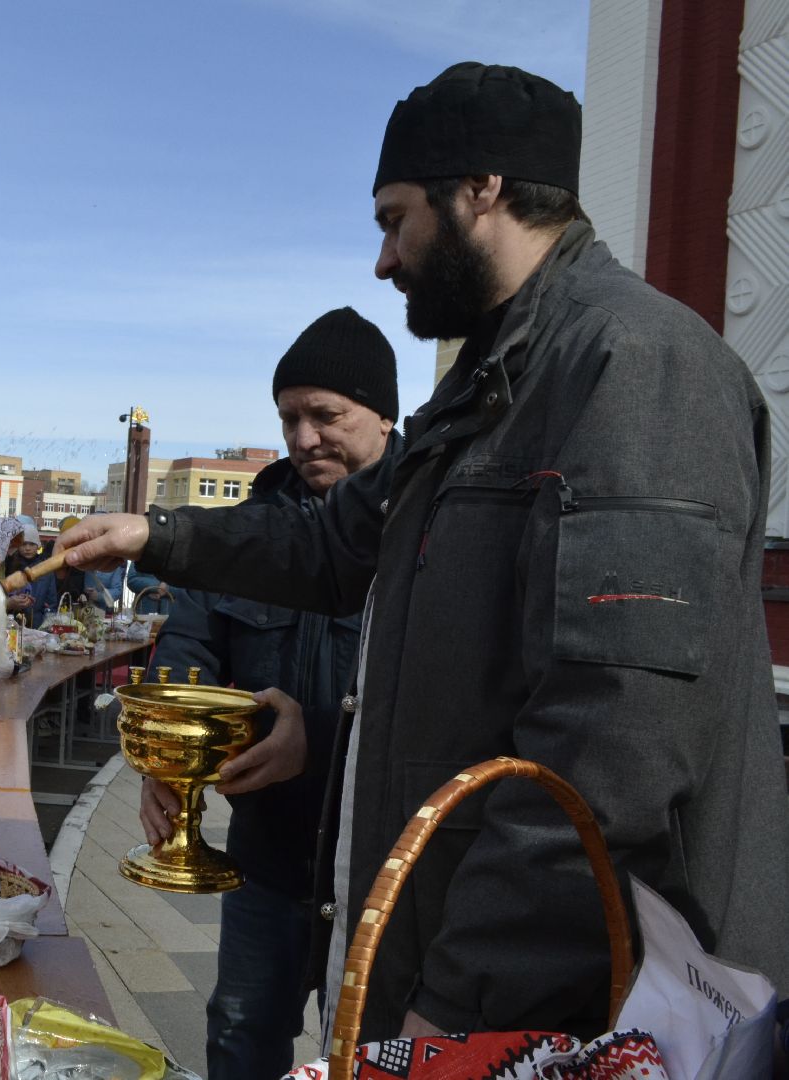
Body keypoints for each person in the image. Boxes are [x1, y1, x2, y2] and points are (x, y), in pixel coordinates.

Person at [59, 62, 789, 1043]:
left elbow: (612, 749)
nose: (383, 260)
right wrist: (157, 535)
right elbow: (328, 546)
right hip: (444, 974)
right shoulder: (484, 388)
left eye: (394, 219)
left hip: (558, 1021)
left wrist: (455, 1003)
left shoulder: (635, 365)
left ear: (481, 187)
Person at [139, 308, 399, 1080]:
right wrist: (165, 753)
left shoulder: (426, 530)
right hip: (269, 855)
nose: (304, 437)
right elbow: (187, 647)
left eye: (326, 415)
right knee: (240, 1034)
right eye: (289, 418)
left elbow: (435, 702)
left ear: (384, 415)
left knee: (368, 1056)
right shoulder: (248, 533)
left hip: (381, 872)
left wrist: (315, 736)